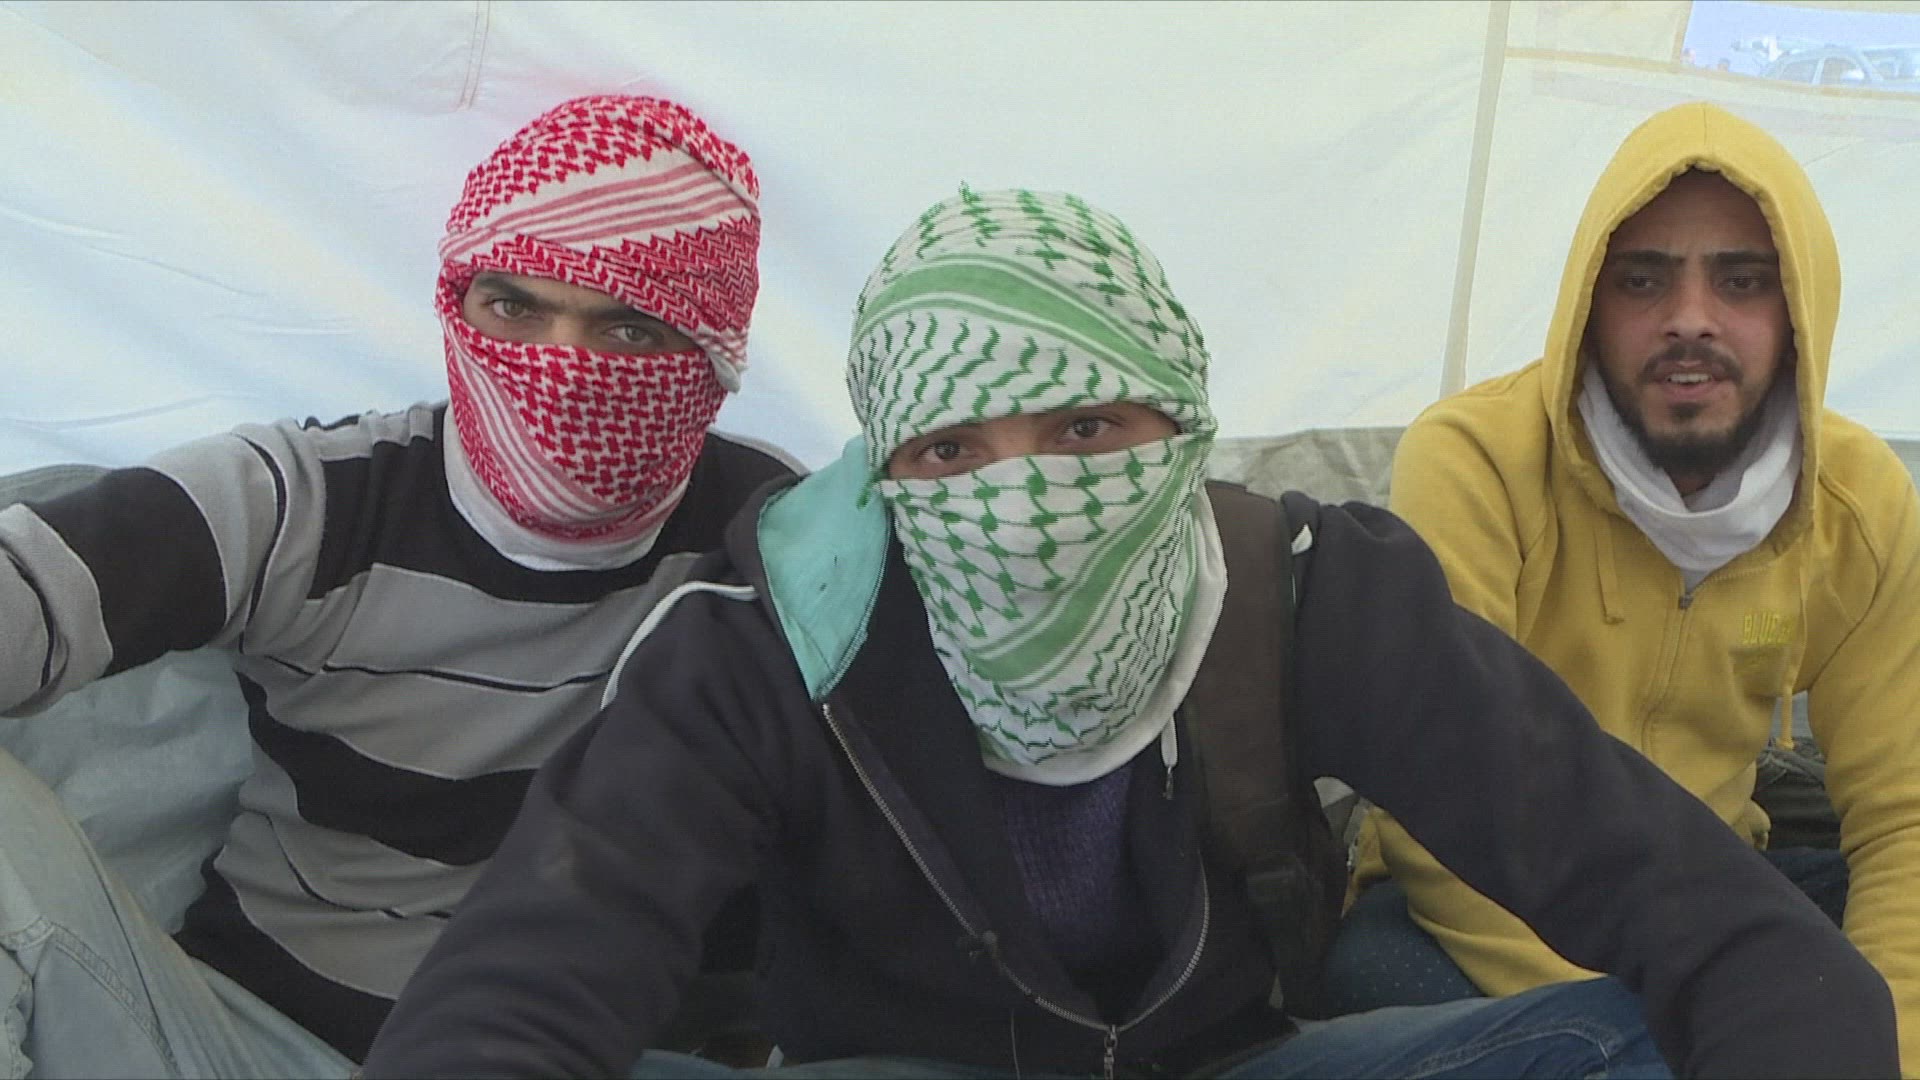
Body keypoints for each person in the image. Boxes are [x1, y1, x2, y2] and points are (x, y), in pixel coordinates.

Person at [359, 187, 1895, 1080]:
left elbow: (1684, 901)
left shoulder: (1300, 591)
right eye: (953, 452)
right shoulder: (764, 652)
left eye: (1087, 427)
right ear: (886, 475)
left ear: (1180, 425)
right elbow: (533, 975)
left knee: (1643, 1039)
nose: (1023, 494)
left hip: (1224, 1065)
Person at [0, 94, 795, 1076]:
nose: (559, 370)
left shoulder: (777, 549)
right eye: (514, 308)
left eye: (627, 332)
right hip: (242, 1041)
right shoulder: (310, 502)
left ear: (711, 356)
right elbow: (28, 593)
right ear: (457, 306)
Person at [1333, 101, 1920, 1070]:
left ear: (1799, 312)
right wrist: (1669, 1030)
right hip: (1471, 912)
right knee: (1380, 981)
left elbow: (1903, 821)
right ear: (1587, 306)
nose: (1689, 318)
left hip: (1717, 896)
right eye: (1643, 280)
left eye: (1742, 280)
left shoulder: (1856, 506)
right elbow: (1439, 807)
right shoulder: (1476, 460)